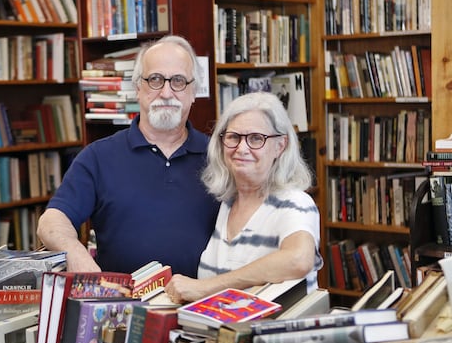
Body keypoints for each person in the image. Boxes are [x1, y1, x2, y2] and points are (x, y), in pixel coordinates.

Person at [37, 35, 220, 277]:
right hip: (121, 308)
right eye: (155, 79)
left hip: (200, 306)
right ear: (137, 88)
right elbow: (50, 222)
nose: (166, 92)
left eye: (178, 81)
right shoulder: (98, 157)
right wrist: (75, 253)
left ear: (193, 91)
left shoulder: (219, 158)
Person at [165, 92, 323, 303]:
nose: (242, 148)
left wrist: (205, 288)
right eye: (234, 137)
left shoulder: (295, 202)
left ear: (280, 145)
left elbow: (299, 260)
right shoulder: (227, 205)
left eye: (256, 138)